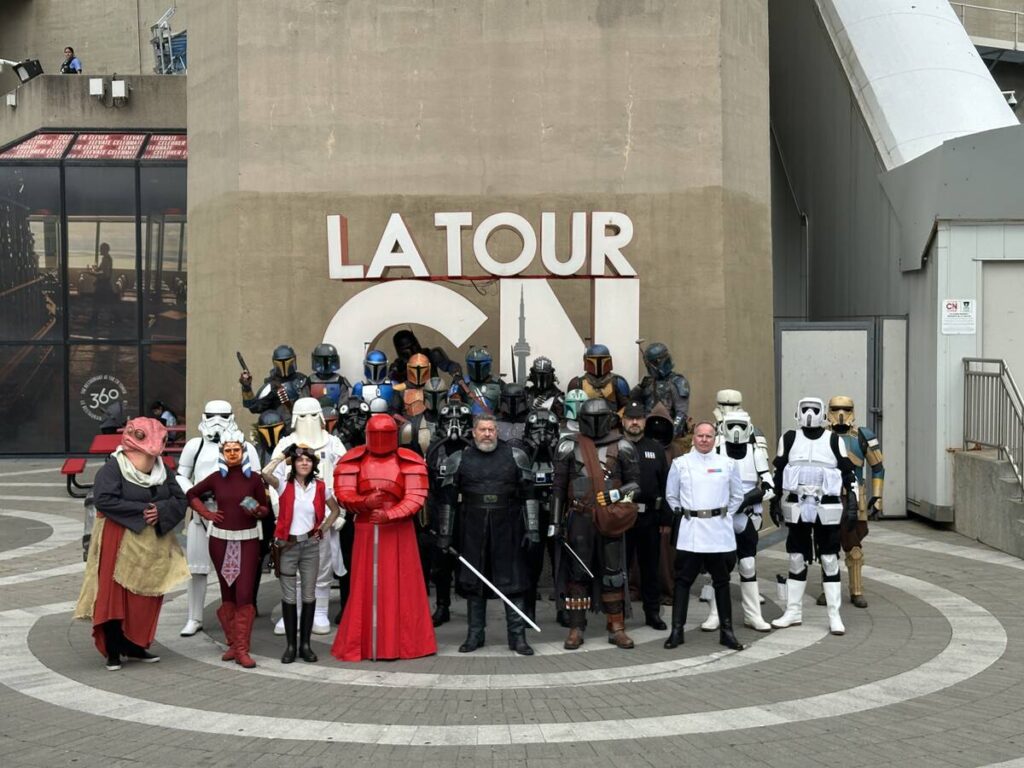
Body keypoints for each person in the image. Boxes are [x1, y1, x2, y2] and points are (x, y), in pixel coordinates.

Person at [74, 418, 188, 671]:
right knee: (114, 594)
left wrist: (160, 510)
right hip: (118, 538)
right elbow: (104, 500)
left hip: (152, 545)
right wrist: (142, 510)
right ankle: (113, 649)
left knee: (146, 595)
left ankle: (135, 644)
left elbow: (180, 499)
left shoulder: (162, 470)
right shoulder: (114, 468)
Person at [332, 415, 436, 661]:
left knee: (403, 585)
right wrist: (364, 502)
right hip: (367, 527)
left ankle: (405, 644)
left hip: (399, 530)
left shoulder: (409, 460)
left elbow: (415, 498)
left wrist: (390, 514)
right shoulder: (352, 459)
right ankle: (366, 644)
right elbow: (344, 494)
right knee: (365, 584)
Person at [436, 414, 539, 655]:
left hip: (509, 527)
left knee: (514, 582)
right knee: (475, 582)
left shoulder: (515, 455)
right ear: (473, 432)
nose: (487, 434)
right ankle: (475, 635)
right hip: (472, 527)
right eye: (482, 430)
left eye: (491, 429)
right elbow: (447, 500)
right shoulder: (459, 458)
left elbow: (529, 494)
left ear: (497, 431)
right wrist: (445, 534)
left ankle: (517, 637)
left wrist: (532, 528)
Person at [552, 398, 640, 650]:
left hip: (610, 517)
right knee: (577, 573)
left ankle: (616, 626)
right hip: (579, 518)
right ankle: (576, 627)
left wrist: (615, 495)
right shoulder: (568, 445)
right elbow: (558, 489)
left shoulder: (623, 446)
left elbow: (635, 487)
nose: (595, 423)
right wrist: (555, 522)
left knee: (613, 574)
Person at [769, 397, 859, 636]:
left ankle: (834, 615)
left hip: (826, 504)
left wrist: (853, 503)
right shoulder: (789, 438)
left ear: (822, 413)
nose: (810, 413)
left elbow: (848, 473)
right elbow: (779, 470)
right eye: (805, 409)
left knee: (829, 559)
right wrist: (774, 499)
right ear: (798, 412)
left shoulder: (833, 440)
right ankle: (793, 611)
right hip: (797, 503)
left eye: (814, 409)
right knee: (796, 558)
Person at [175, 400, 261, 637]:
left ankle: (239, 625)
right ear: (204, 416)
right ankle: (194, 617)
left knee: (238, 572)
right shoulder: (195, 445)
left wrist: (252, 507)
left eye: (223, 416)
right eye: (212, 416)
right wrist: (195, 496)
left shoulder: (246, 447)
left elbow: (256, 480)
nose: (217, 422)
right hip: (202, 515)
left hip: (236, 520)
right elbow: (181, 476)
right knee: (197, 567)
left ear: (231, 417)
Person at [185, 430, 270, 668]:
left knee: (244, 593)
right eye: (228, 450)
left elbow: (266, 509)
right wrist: (207, 513)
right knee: (227, 592)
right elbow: (191, 494)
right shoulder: (215, 478)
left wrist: (256, 510)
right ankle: (234, 643)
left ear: (243, 451)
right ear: (222, 452)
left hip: (248, 539)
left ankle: (242, 648)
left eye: (236, 450)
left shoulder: (254, 479)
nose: (232, 454)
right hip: (220, 540)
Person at [663, 420, 746, 651]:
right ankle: (677, 631)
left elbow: (737, 495)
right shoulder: (681, 464)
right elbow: (671, 495)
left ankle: (727, 632)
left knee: (722, 581)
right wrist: (684, 513)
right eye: (700, 435)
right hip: (691, 530)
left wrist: (724, 515)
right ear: (694, 438)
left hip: (718, 531)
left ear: (715, 439)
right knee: (683, 581)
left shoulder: (727, 464)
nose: (704, 440)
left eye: (709, 436)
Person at [271, 397, 347, 634]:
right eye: (303, 416)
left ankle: (320, 610)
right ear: (295, 418)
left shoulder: (333, 443)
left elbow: (345, 476)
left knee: (322, 565)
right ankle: (292, 612)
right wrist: (278, 512)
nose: (308, 420)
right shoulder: (286, 444)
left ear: (321, 416)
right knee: (290, 567)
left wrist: (341, 511)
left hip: (324, 517)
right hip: (291, 519)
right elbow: (273, 479)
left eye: (313, 415)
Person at [264, 445, 343, 663]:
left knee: (309, 595)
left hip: (310, 545)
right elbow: (265, 473)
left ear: (314, 464)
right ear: (294, 463)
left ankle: (305, 645)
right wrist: (283, 456)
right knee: (289, 597)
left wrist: (323, 528)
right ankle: (290, 646)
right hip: (287, 546)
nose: (304, 463)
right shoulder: (283, 484)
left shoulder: (320, 486)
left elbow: (335, 510)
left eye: (308, 460)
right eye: (300, 460)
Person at [700, 409, 774, 633]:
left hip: (746, 516)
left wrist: (749, 498)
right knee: (719, 566)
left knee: (748, 564)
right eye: (731, 425)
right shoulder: (716, 450)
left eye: (740, 426)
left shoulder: (755, 452)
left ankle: (753, 615)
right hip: (721, 517)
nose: (735, 431)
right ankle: (716, 614)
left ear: (748, 428)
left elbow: (769, 487)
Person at [820, 395, 885, 609]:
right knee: (827, 546)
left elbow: (878, 468)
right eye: (836, 409)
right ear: (829, 411)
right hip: (828, 495)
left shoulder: (862, 436)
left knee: (854, 546)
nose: (841, 414)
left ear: (853, 411)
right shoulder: (821, 436)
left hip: (855, 496)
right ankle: (828, 589)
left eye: (846, 409)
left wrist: (877, 497)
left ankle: (856, 591)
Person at [620, 400, 670, 630]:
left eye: (638, 418)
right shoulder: (615, 447)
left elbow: (666, 485)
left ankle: (652, 613)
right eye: (630, 418)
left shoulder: (656, 449)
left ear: (644, 422)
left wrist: (666, 518)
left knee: (650, 568)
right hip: (621, 517)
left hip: (649, 517)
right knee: (619, 568)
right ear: (623, 421)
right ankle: (617, 615)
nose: (634, 422)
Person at [423, 401, 473, 627]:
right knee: (440, 561)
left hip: (468, 510)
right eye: (449, 421)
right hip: (440, 509)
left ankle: (474, 607)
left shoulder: (474, 448)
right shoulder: (434, 449)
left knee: (471, 559)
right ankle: (442, 605)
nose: (455, 425)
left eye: (461, 421)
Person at [630, 342, 690, 437]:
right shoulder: (647, 382)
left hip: (668, 431)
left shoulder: (677, 382)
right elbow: (633, 403)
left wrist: (672, 433)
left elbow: (681, 413)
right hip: (647, 432)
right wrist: (639, 388)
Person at [240, 344, 311, 418]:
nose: (284, 364)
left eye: (287, 360)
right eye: (280, 361)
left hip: (303, 421)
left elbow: (310, 404)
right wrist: (246, 388)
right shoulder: (271, 386)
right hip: (281, 423)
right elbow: (254, 407)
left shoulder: (302, 379)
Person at [566, 344, 630, 411]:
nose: (598, 364)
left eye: (601, 359)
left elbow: (627, 407)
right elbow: (573, 411)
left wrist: (617, 416)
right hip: (586, 417)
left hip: (611, 417)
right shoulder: (577, 384)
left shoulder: (618, 382)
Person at [388, 328, 461, 383]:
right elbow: (392, 381)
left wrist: (456, 374)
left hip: (433, 391)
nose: (413, 350)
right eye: (407, 348)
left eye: (414, 345)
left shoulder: (431, 354)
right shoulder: (398, 365)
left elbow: (450, 365)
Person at [450, 347, 503, 416]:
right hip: (468, 421)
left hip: (494, 421)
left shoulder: (498, 382)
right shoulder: (461, 383)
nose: (478, 370)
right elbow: (452, 407)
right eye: (475, 366)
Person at [308, 343, 352, 407]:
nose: (325, 364)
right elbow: (304, 403)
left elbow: (344, 404)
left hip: (336, 412)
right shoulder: (310, 381)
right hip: (314, 413)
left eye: (328, 360)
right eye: (322, 360)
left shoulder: (340, 381)